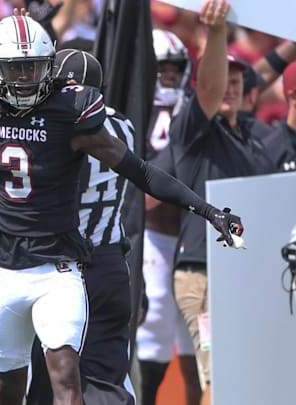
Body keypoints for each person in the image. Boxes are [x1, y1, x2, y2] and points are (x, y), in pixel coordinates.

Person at [0, 15, 243, 405]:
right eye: (15, 67)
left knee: (66, 382)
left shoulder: (70, 113)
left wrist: (207, 210)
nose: (24, 77)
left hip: (59, 269)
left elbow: (141, 172)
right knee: (10, 385)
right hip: (7, 271)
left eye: (33, 67)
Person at [165, 2, 282, 404]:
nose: (229, 87)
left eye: (238, 80)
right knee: (219, 375)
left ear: (249, 90)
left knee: (249, 374)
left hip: (246, 272)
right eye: (223, 78)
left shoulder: (256, 141)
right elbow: (209, 91)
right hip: (205, 274)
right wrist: (215, 35)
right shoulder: (194, 131)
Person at [19, 48, 136, 405]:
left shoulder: (63, 127)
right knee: (106, 380)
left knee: (51, 385)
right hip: (112, 263)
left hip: (65, 267)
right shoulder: (124, 125)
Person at [136, 29, 201, 405]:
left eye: (175, 69)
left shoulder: (191, 107)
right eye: (162, 68)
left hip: (191, 236)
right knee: (154, 330)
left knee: (195, 340)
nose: (170, 76)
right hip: (154, 236)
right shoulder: (134, 105)